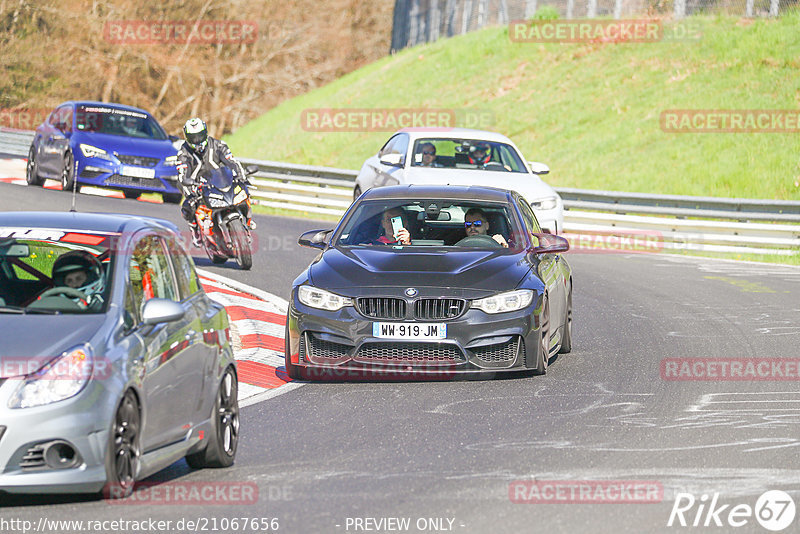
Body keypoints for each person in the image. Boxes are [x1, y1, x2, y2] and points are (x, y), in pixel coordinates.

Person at [177, 118, 253, 247]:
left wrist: (241, 175)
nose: (197, 141)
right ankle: (195, 228)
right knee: (188, 205)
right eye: (193, 138)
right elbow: (182, 174)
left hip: (219, 180)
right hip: (197, 184)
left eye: (200, 136)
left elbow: (232, 162)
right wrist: (189, 184)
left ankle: (248, 220)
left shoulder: (219, 145)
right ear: (187, 137)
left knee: (243, 189)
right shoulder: (183, 153)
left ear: (205, 133)